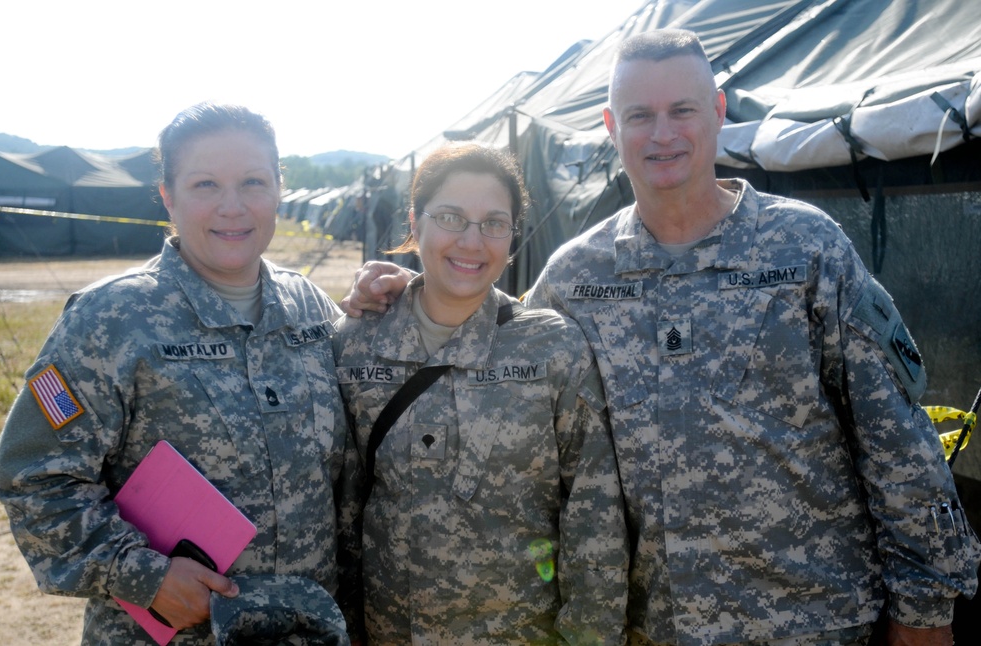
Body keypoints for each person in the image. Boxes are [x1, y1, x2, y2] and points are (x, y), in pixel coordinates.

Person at [340, 30, 980, 646]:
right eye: (640, 115)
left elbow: (896, 435)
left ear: (719, 113)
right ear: (611, 127)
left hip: (810, 619)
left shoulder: (806, 248)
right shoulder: (577, 274)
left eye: (683, 110)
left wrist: (925, 606)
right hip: (650, 627)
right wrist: (415, 291)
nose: (663, 133)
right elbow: (501, 353)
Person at [0, 103, 359, 644]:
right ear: (167, 195)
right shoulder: (109, 320)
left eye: (253, 182)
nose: (232, 207)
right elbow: (33, 476)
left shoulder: (310, 308)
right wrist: (143, 575)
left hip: (306, 630)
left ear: (280, 188)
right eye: (205, 184)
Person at [332, 143, 628, 644]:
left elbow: (593, 515)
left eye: (494, 223)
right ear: (415, 221)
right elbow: (341, 511)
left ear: (513, 236)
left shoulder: (552, 347)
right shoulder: (355, 345)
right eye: (451, 217)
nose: (472, 242)